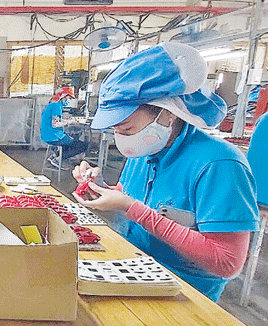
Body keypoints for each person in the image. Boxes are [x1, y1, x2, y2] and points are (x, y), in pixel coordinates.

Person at [71, 42, 259, 302]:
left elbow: (227, 263)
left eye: (125, 129)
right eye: (115, 130)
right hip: (134, 271)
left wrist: (130, 207)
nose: (121, 139)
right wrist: (101, 190)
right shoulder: (147, 150)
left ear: (167, 114)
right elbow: (138, 202)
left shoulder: (220, 164)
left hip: (184, 294)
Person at [40, 86, 88, 167]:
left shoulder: (52, 104)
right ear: (63, 96)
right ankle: (58, 159)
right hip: (54, 136)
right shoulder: (56, 106)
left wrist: (67, 121)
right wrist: (70, 121)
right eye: (68, 98)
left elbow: (55, 121)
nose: (68, 101)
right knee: (83, 145)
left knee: (71, 139)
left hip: (47, 135)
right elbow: (55, 124)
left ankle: (54, 156)